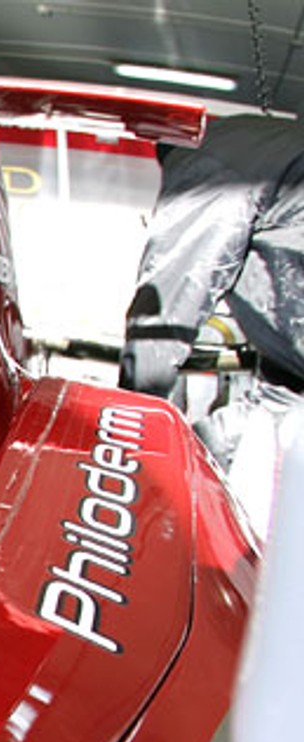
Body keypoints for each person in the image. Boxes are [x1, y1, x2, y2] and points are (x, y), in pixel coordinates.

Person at [119, 114, 304, 535]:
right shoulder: (265, 157)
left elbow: (167, 312)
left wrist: (132, 445)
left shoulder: (212, 168)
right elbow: (278, 397)